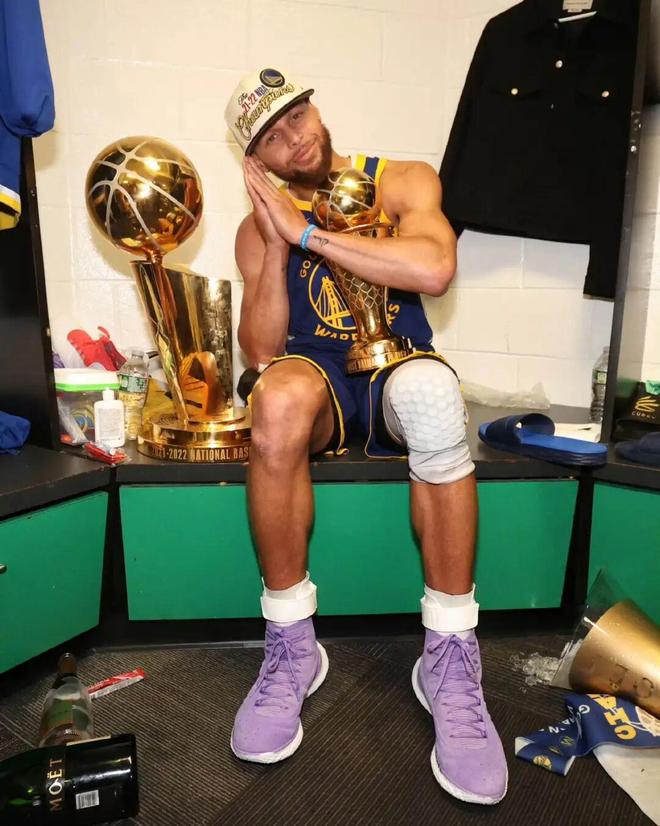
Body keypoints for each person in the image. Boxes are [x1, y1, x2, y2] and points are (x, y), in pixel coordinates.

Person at [224, 67, 507, 805]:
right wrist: (278, 243)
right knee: (274, 402)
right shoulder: (258, 229)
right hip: (318, 379)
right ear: (257, 161)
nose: (295, 138)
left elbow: (435, 269)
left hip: (397, 364)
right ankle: (292, 645)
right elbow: (260, 352)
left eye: (297, 116)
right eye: (273, 137)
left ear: (315, 108)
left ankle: (449, 655)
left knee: (436, 397)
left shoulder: (402, 181)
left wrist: (310, 233)